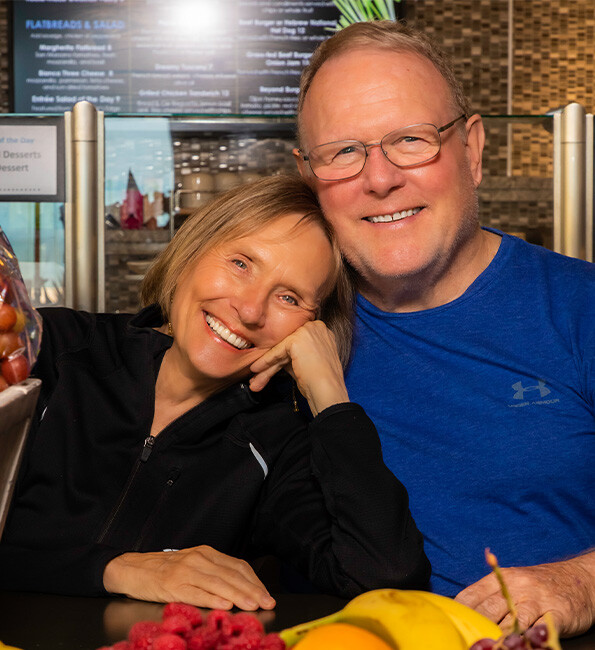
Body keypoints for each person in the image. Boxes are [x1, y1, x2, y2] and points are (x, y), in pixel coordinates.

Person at [0, 174, 430, 609]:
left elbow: (387, 579)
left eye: (289, 298)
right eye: (241, 264)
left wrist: (331, 397)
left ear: (313, 328)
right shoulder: (50, 350)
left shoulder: (276, 441)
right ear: (193, 253)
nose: (249, 310)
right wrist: (114, 569)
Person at [293, 20, 595, 637]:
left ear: (473, 149)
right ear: (308, 176)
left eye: (410, 139)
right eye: (343, 152)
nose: (379, 179)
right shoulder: (286, 320)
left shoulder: (580, 307)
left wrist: (580, 582)